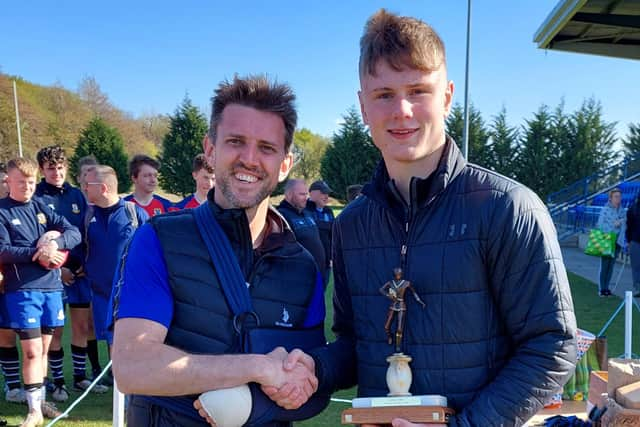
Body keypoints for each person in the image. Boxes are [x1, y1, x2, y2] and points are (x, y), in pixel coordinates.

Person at [269, 10, 577, 427]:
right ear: (363, 105)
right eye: (383, 95)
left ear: (447, 96)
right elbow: (356, 343)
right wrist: (313, 368)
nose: (402, 110)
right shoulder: (352, 223)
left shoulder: (508, 207)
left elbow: (552, 346)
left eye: (418, 91)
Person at [111, 75, 326, 426]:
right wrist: (256, 368)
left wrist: (259, 401)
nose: (249, 159)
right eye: (236, 142)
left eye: (267, 148)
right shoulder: (159, 240)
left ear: (285, 164)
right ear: (211, 150)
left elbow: (311, 384)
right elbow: (133, 367)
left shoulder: (303, 266)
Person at [0, 157, 81, 427]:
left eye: (31, 182)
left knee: (45, 350)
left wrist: (55, 244)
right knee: (32, 351)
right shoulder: (1, 211)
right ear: (8, 181)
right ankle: (33, 411)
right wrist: (38, 253)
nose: (27, 186)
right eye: (21, 181)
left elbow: (74, 232)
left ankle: (40, 400)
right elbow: (3, 250)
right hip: (23, 290)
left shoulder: (41, 207)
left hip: (52, 288)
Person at [34, 146, 108, 401]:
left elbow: (83, 234)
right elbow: (38, 239)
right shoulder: (37, 197)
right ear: (42, 170)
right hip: (52, 273)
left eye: (60, 167)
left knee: (82, 325)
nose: (57, 172)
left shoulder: (76, 195)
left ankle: (80, 377)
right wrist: (60, 268)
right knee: (54, 329)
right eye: (51, 168)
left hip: (79, 272)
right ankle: (57, 382)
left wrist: (81, 265)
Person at [83, 165, 148, 348]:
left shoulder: (134, 213)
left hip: (131, 293)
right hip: (101, 293)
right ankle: (115, 377)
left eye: (88, 184)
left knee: (131, 344)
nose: (85, 188)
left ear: (103, 188)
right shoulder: (87, 216)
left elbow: (152, 251)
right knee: (113, 343)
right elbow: (80, 249)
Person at [277, 179, 326, 280]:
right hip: (300, 278)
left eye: (306, 194)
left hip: (318, 274)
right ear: (289, 195)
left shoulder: (307, 213)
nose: (306, 198)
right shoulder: (281, 216)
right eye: (302, 194)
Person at [596, 188, 626, 296]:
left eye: (619, 196)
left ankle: (607, 287)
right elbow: (600, 225)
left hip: (617, 241)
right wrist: (614, 225)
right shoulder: (605, 209)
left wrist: (621, 222)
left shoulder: (622, 210)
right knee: (605, 265)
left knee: (611, 265)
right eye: (616, 196)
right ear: (611, 198)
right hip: (607, 239)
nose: (618, 199)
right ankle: (602, 288)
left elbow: (624, 222)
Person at [305, 180, 334, 284]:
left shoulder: (328, 211)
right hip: (308, 262)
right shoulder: (304, 210)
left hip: (326, 263)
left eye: (327, 193)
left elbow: (333, 236)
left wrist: (331, 257)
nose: (326, 196)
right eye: (323, 193)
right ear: (312, 193)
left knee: (321, 293)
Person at [626, 195, 640, 298]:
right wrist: (629, 240)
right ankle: (638, 287)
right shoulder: (633, 209)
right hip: (635, 241)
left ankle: (638, 287)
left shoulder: (632, 208)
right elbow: (629, 226)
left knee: (636, 267)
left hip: (634, 241)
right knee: (636, 267)